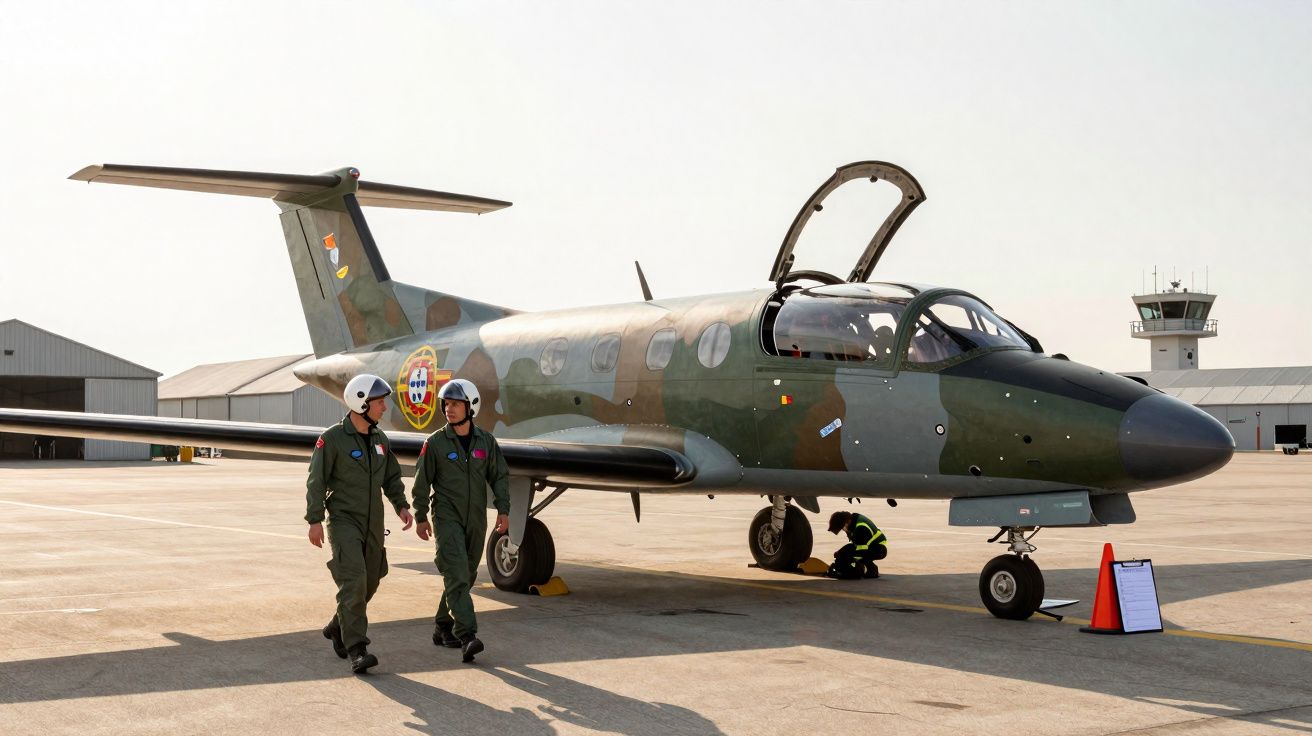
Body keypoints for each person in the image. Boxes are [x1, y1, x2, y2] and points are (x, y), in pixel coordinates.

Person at [305, 374, 413, 674]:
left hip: (373, 521)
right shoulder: (333, 438)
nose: (384, 407)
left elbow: (391, 477)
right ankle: (357, 649)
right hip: (343, 520)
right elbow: (316, 480)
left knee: (373, 578)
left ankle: (336, 627)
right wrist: (314, 519)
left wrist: (401, 506)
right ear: (361, 403)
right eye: (379, 402)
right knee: (353, 581)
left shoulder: (380, 440)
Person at [410, 379, 509, 664]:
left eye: (455, 404)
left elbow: (499, 477)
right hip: (446, 516)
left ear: (471, 407)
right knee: (455, 571)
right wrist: (420, 516)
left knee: (465, 575)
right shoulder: (436, 443)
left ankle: (442, 625)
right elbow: (421, 483)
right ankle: (467, 634)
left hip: (476, 517)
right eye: (447, 404)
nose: (449, 409)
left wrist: (503, 510)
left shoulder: (486, 442)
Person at [826, 510, 887, 579]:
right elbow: (855, 545)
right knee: (845, 552)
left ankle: (872, 571)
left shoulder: (861, 528)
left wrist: (845, 561)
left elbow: (861, 551)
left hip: (878, 550)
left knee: (848, 555)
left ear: (847, 522)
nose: (843, 530)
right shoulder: (854, 521)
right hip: (872, 547)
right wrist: (840, 553)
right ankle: (871, 570)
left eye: (842, 528)